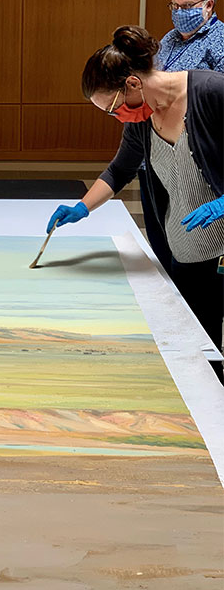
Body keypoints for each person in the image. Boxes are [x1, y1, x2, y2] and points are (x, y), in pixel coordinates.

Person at [46, 26, 224, 382]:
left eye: (112, 108)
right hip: (184, 245)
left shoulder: (212, 92)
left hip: (220, 246)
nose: (117, 117)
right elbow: (120, 169)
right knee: (197, 343)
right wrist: (82, 207)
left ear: (132, 84)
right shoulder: (143, 118)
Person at [140, 0, 224, 272]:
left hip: (196, 162)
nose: (179, 13)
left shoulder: (220, 42)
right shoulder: (169, 40)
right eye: (175, 6)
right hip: (157, 156)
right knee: (162, 235)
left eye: (187, 7)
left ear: (209, 4)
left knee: (196, 248)